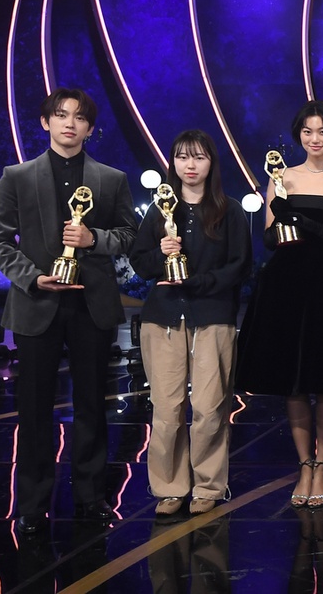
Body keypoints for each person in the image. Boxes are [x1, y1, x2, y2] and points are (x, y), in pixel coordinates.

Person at [0, 88, 138, 535]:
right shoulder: (17, 176)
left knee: (92, 405)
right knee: (34, 409)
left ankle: (91, 498)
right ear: (45, 122)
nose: (69, 123)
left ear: (90, 128)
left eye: (79, 117)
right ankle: (33, 505)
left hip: (92, 305)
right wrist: (33, 277)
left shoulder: (111, 178)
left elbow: (128, 235)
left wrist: (94, 240)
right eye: (61, 115)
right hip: (37, 303)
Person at [236, 100, 323, 509]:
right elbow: (269, 239)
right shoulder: (281, 177)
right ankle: (304, 464)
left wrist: (306, 223)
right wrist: (281, 218)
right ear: (299, 135)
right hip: (284, 284)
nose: (315, 139)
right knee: (291, 381)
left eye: (322, 131)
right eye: (308, 132)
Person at [129, 130, 252, 516]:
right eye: (183, 157)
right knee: (166, 408)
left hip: (213, 317)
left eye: (199, 157)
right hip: (163, 318)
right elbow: (140, 261)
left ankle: (208, 487)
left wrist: (197, 282)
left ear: (211, 163)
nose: (191, 165)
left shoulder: (230, 210)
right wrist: (160, 254)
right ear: (174, 163)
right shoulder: (160, 209)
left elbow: (240, 266)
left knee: (209, 407)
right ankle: (169, 488)